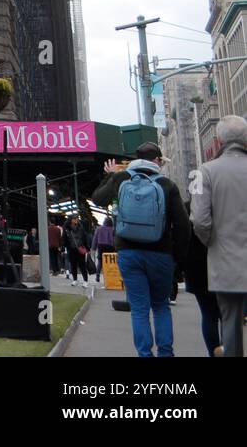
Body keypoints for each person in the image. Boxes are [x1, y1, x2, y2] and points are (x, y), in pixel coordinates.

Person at [92, 142, 191, 357]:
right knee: (161, 307)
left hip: (128, 252)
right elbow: (183, 226)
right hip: (161, 253)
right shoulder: (167, 185)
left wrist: (109, 175)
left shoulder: (121, 179)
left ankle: (144, 354)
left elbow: (98, 199)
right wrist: (178, 259)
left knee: (139, 309)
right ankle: (166, 353)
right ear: (156, 160)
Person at [190, 115, 247, 357]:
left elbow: (200, 220)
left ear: (219, 139)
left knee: (230, 324)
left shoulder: (206, 172)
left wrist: (214, 243)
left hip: (225, 263)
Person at [183, 198, 221, 356]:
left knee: (208, 315)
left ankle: (213, 354)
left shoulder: (188, 206)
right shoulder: (226, 204)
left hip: (197, 265)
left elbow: (182, 234)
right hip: (225, 262)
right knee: (228, 316)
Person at [64, 216, 89, 285]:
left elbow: (84, 237)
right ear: (70, 220)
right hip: (71, 249)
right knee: (73, 265)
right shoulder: (67, 229)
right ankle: (75, 280)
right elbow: (64, 238)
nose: (76, 220)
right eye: (74, 218)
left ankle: (85, 280)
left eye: (77, 218)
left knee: (82, 265)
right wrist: (64, 247)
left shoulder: (81, 228)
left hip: (80, 248)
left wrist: (87, 247)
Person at [90, 216, 115, 283]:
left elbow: (95, 239)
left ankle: (97, 275)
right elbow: (115, 239)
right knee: (110, 261)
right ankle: (110, 276)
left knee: (100, 261)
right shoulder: (113, 229)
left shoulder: (99, 229)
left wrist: (93, 248)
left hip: (101, 246)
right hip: (110, 247)